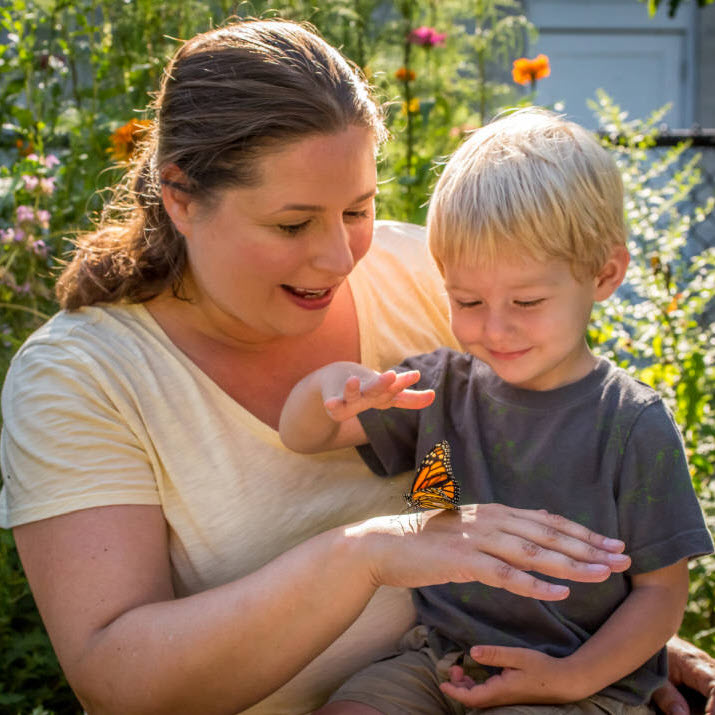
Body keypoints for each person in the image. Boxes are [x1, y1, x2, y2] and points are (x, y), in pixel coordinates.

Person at [0, 18, 711, 715]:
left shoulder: (431, 278)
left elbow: (547, 461)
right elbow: (117, 685)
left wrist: (611, 646)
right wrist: (366, 554)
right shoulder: (82, 377)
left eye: (357, 209)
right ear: (181, 198)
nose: (340, 258)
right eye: (292, 223)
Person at [278, 109, 714, 715]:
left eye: (528, 300)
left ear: (604, 275)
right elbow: (302, 437)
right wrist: (328, 390)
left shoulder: (632, 422)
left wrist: (571, 678)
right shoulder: (437, 387)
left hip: (577, 680)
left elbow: (662, 594)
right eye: (468, 300)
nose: (496, 327)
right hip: (440, 658)